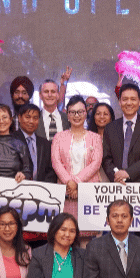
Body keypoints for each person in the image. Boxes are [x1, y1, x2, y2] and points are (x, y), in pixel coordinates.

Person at [53, 97, 104, 245]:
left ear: (86, 113)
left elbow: (95, 163)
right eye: (73, 112)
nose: (77, 115)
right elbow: (56, 162)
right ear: (67, 115)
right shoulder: (59, 137)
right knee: (65, 236)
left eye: (80, 112)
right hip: (66, 194)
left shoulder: (95, 138)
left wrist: (76, 182)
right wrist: (69, 183)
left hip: (87, 194)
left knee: (86, 239)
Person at [101, 83, 140, 184]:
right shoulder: (110, 128)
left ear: (139, 101)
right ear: (119, 102)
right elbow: (106, 159)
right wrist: (116, 175)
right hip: (116, 183)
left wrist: (128, 173)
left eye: (133, 99)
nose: (129, 103)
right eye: (125, 99)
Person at [16, 103, 56, 183]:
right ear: (19, 118)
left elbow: (51, 172)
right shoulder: (11, 140)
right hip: (17, 186)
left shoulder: (46, 144)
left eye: (35, 118)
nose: (31, 121)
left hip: (41, 188)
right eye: (28, 117)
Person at [36, 71, 71, 140]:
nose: (50, 95)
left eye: (53, 91)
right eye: (46, 92)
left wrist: (64, 84)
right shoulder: (34, 119)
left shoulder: (68, 119)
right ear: (40, 95)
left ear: (58, 95)